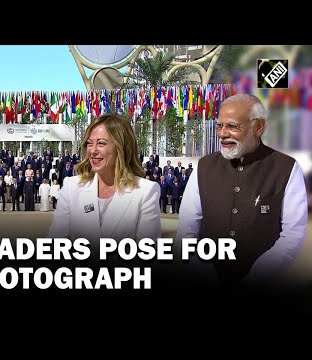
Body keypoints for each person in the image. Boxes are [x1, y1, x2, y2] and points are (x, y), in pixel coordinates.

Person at [177, 93, 308, 287]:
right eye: (219, 126)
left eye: (232, 126)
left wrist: (255, 278)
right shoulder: (204, 167)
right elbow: (186, 229)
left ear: (258, 127)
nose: (222, 134)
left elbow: (293, 233)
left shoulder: (286, 168)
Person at [47, 113, 161, 245]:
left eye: (101, 143)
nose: (93, 151)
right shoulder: (71, 187)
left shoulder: (146, 192)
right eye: (90, 143)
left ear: (121, 148)